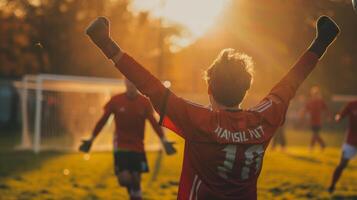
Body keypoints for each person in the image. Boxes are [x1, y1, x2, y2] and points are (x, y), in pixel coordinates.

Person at [86, 15, 339, 200]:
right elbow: (291, 82)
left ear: (209, 88)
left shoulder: (197, 120)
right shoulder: (264, 119)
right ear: (246, 89)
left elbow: (149, 85)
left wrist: (107, 44)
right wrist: (321, 43)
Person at [79, 79, 176, 200]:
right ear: (125, 83)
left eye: (133, 81)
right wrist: (91, 139)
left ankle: (136, 195)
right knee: (125, 180)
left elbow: (154, 123)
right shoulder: (116, 100)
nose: (131, 84)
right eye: (129, 81)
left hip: (138, 146)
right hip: (121, 145)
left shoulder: (145, 102)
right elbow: (102, 121)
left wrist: (164, 140)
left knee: (136, 178)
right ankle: (134, 192)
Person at [328, 100, 357, 193]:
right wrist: (338, 118)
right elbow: (340, 115)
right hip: (351, 140)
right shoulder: (352, 104)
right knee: (342, 164)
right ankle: (332, 186)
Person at [302, 86, 331, 150]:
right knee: (315, 134)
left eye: (316, 94)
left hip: (318, 121)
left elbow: (326, 109)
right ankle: (322, 145)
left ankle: (312, 146)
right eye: (314, 94)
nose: (315, 95)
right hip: (312, 121)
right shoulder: (310, 102)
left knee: (315, 134)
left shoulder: (321, 101)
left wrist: (328, 116)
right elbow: (305, 109)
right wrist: (302, 114)